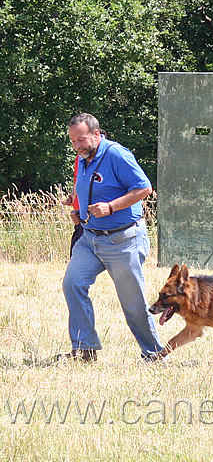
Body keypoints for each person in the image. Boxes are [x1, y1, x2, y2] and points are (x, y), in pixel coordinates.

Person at [58, 113, 164, 362]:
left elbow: (144, 188)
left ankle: (155, 354)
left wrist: (111, 207)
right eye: (73, 141)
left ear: (97, 134)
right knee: (72, 284)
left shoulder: (116, 155)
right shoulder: (84, 157)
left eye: (81, 139)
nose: (77, 146)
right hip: (90, 238)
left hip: (123, 240)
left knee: (133, 303)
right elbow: (91, 190)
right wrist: (79, 212)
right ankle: (85, 350)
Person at [62, 154, 83, 258]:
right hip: (80, 218)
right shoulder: (80, 157)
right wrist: (73, 195)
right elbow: (77, 179)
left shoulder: (106, 156)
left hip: (94, 219)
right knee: (75, 255)